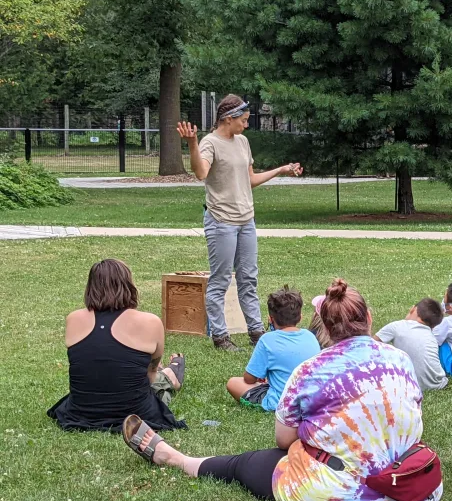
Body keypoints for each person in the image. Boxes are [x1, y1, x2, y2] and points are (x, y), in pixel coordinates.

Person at [120, 279, 442, 501]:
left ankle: (173, 458)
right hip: (411, 486)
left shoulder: (310, 370)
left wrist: (312, 433)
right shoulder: (399, 360)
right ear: (369, 318)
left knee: (244, 465)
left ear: (325, 328)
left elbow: (284, 439)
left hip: (340, 494)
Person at [177, 95, 304, 351]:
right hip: (221, 220)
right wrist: (192, 143)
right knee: (221, 279)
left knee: (248, 279)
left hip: (246, 220)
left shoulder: (243, 142)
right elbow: (201, 173)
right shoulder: (210, 143)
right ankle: (221, 337)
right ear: (228, 118)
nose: (246, 125)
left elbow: (251, 180)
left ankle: (256, 332)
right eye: (243, 120)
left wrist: (281, 170)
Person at [48, 259, 186, 432]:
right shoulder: (150, 321)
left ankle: (170, 373)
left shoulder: (73, 318)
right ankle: (171, 374)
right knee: (158, 380)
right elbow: (150, 374)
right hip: (133, 414)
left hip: (82, 412)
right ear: (128, 284)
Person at [226, 287, 321, 410]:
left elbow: (249, 379)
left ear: (271, 319)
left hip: (281, 402)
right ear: (300, 317)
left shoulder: (267, 340)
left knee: (233, 383)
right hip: (310, 400)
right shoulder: (310, 336)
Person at [375, 298, 448, 391]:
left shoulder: (397, 326)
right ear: (433, 326)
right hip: (436, 384)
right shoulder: (431, 337)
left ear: (412, 309)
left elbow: (369, 343)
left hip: (407, 383)